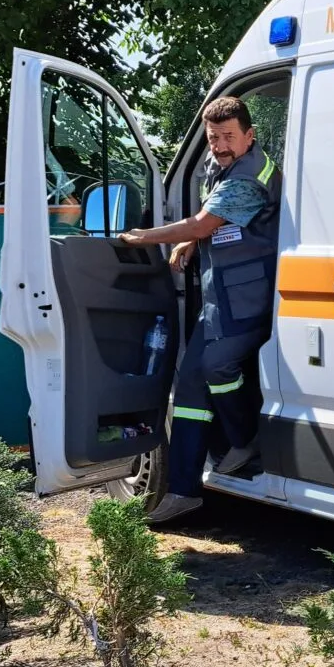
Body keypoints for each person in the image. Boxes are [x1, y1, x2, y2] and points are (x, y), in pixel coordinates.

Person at [113, 95, 278, 523]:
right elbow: (212, 221)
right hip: (219, 298)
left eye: (227, 137)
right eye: (212, 137)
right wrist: (190, 241)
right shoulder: (219, 164)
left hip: (249, 298)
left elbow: (205, 222)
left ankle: (244, 440)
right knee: (188, 388)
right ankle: (183, 489)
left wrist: (144, 237)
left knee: (217, 368)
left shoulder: (251, 176)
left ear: (249, 136)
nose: (219, 145)